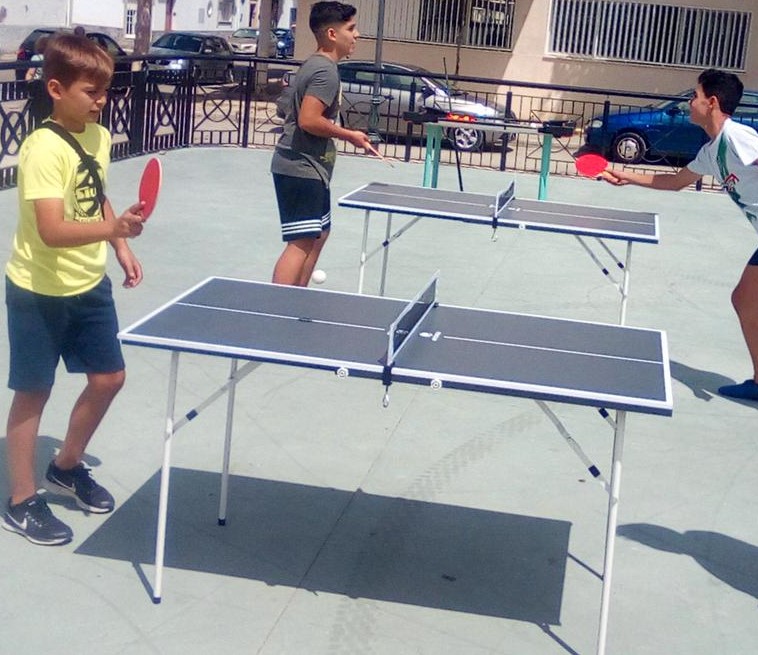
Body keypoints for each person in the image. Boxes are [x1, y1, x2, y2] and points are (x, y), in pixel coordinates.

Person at [2, 33, 146, 546]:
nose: (100, 100)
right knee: (34, 391)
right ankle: (22, 501)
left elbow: (95, 191)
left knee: (109, 378)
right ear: (56, 89)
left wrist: (119, 246)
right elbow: (51, 230)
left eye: (105, 91)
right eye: (91, 91)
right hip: (38, 291)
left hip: (88, 284)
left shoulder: (98, 137)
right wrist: (114, 229)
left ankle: (65, 467)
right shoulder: (41, 148)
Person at [601, 69, 758, 400]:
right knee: (744, 299)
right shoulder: (712, 152)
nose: (689, 102)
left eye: (694, 96)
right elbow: (674, 182)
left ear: (711, 102)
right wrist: (626, 176)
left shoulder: (738, 137)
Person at [270, 1, 372, 286]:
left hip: (313, 167)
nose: (356, 35)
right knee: (301, 242)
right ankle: (276, 306)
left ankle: (299, 296)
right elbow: (308, 120)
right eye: (351, 28)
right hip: (299, 166)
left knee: (319, 234)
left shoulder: (318, 65)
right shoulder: (324, 72)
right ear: (332, 34)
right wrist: (350, 135)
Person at [25, 35, 53, 127]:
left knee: (36, 111)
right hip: (48, 88)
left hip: (37, 87)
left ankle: (37, 126)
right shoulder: (51, 58)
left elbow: (30, 73)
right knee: (48, 110)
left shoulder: (36, 58)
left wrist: (28, 84)